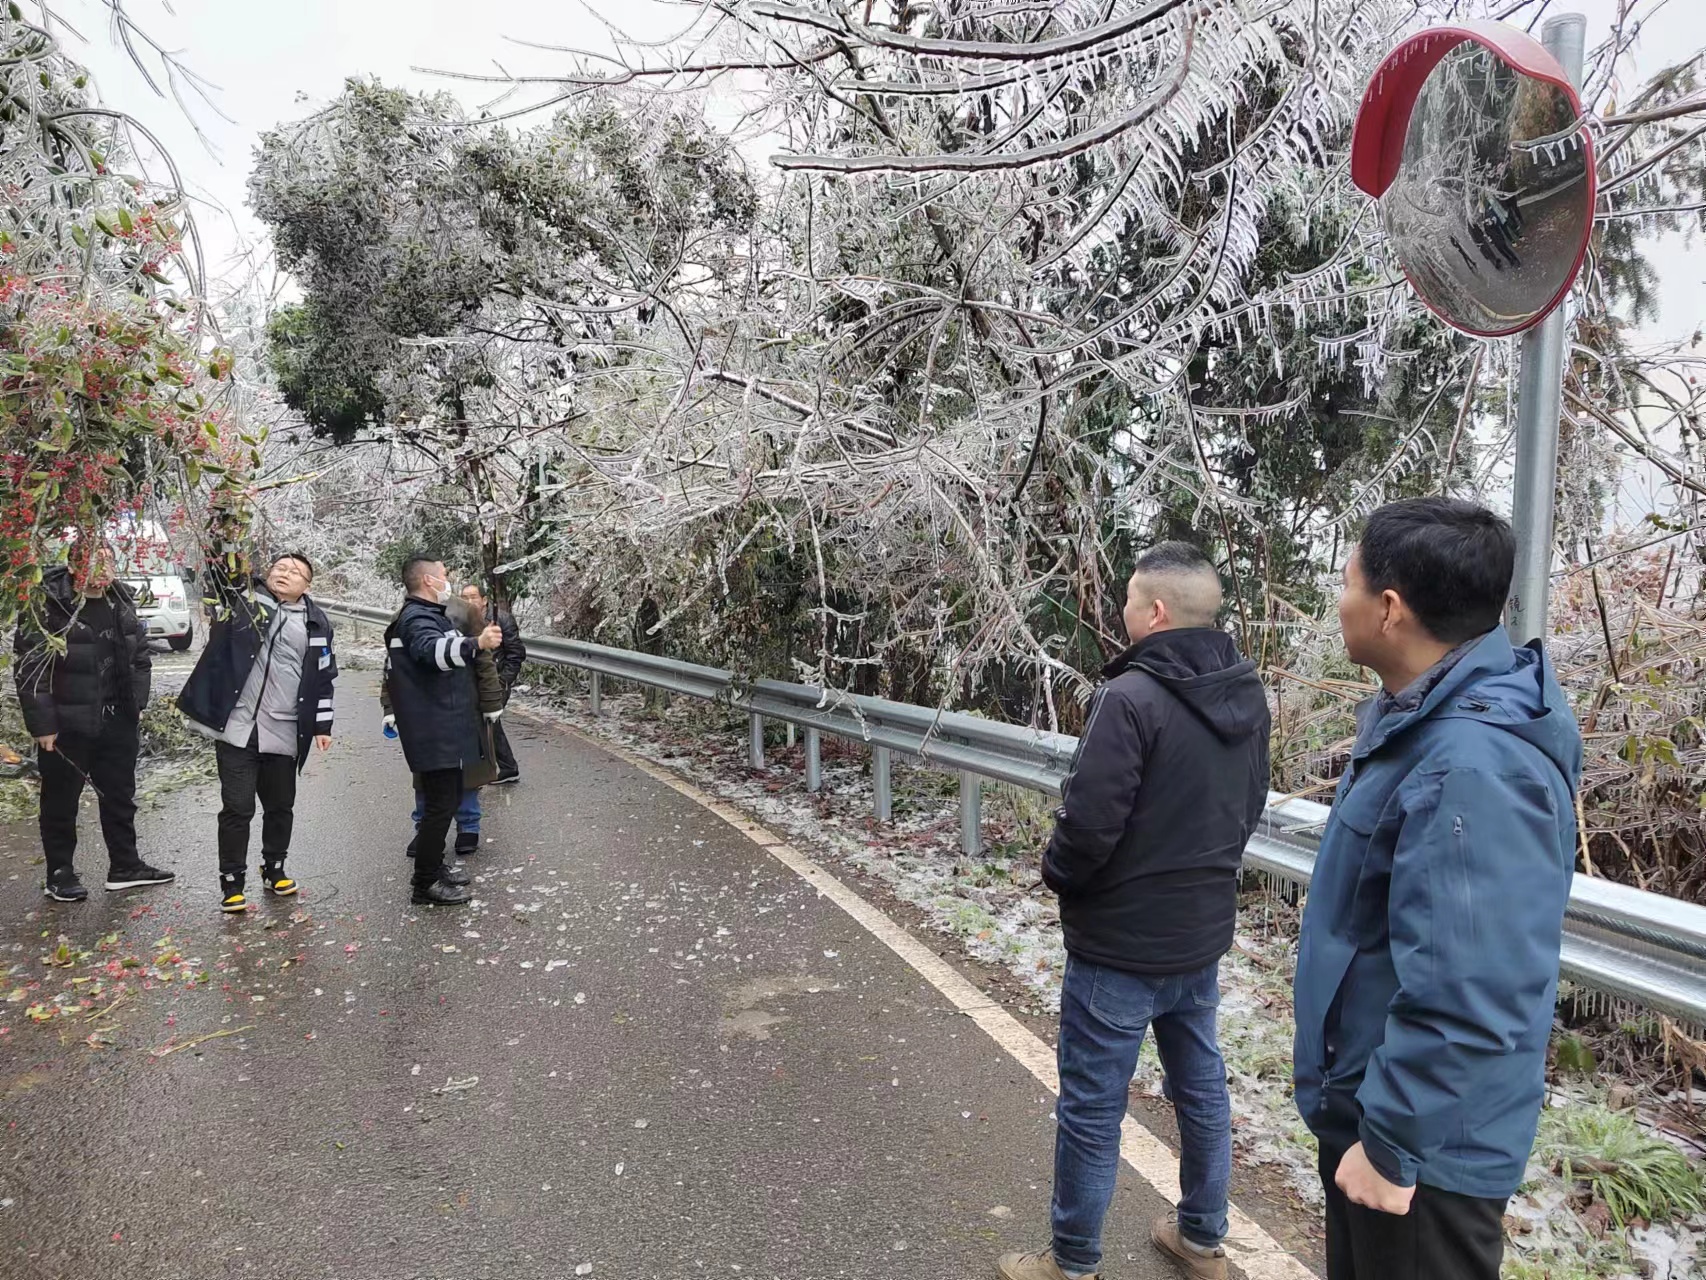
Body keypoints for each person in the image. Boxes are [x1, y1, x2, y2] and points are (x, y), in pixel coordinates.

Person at [1293, 498, 1582, 1280]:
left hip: (1423, 1155)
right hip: (1387, 1116)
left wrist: (1391, 1144)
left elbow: (1474, 986)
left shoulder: (1472, 765)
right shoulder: (1423, 722)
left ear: (1389, 610)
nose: (1340, 601)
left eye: (1348, 583)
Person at [999, 542, 1270, 1280]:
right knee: (1201, 1088)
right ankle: (1202, 1238)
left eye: (1127, 600)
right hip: (1199, 936)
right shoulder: (1247, 692)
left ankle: (1074, 1262)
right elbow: (1248, 807)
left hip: (1119, 943)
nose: (1121, 612)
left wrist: (1060, 876)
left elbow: (1089, 823)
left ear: (1154, 612)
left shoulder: (1131, 697)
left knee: (1093, 1106)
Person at [178, 529, 337, 913]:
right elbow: (219, 571)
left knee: (280, 805)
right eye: (279, 567)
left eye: (295, 572)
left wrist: (321, 725)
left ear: (307, 585)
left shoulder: (318, 625)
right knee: (237, 806)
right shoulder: (245, 603)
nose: (284, 574)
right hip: (238, 726)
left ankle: (274, 868)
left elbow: (324, 677)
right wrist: (223, 525)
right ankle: (232, 882)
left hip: (284, 729)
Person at [14, 541, 175, 902]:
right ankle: (60, 873)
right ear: (73, 566)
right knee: (60, 800)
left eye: (107, 561)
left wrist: (139, 701)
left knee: (119, 795)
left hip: (117, 718)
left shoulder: (121, 600)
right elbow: (30, 668)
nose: (102, 569)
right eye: (92, 561)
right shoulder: (49, 604)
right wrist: (42, 724)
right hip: (67, 722)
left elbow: (140, 656)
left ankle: (125, 866)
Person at [383, 558, 503, 906]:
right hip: (432, 728)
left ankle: (434, 868)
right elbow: (432, 653)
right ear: (427, 580)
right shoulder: (416, 618)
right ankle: (424, 884)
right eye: (443, 575)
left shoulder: (430, 615)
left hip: (445, 725)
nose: (447, 580)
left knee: (447, 799)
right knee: (439, 806)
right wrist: (476, 643)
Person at [460, 582, 525, 784]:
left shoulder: (501, 620)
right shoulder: (461, 620)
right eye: (464, 597)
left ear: (484, 599)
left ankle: (503, 769)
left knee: (488, 724)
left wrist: (504, 680)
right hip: (473, 681)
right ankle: (502, 768)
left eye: (473, 597)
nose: (469, 601)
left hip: (496, 681)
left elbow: (516, 654)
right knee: (486, 724)